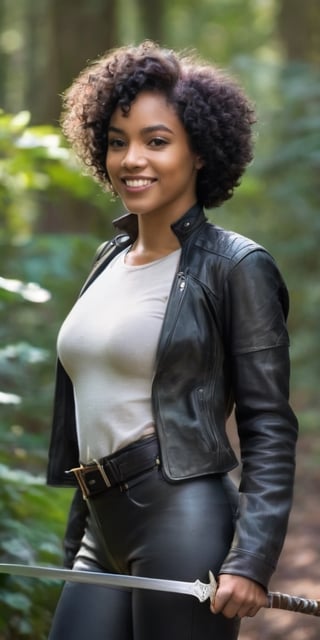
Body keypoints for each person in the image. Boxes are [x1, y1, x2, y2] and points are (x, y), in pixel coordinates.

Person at [46, 41, 298, 640]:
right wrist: (77, 535)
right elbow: (96, 410)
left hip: (183, 521)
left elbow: (269, 424)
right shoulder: (108, 259)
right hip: (99, 527)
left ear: (200, 153)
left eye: (156, 141)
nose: (132, 158)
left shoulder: (236, 266)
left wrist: (251, 559)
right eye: (116, 140)